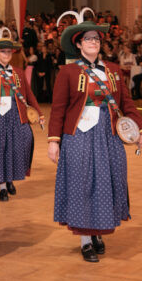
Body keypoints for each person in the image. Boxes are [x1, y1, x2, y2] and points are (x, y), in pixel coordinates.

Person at [48, 18, 142, 263]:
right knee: (83, 185)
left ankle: (99, 230)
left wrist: (136, 131)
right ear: (79, 45)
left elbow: (128, 106)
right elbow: (58, 108)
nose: (93, 42)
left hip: (108, 135)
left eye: (96, 39)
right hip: (78, 136)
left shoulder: (113, 70)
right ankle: (86, 240)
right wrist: (53, 140)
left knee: (107, 184)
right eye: (88, 39)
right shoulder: (68, 72)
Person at [0, 38, 43, 201]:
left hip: (16, 114)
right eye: (3, 51)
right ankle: (2, 187)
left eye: (9, 52)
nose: (6, 54)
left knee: (18, 146)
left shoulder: (19, 72)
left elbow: (29, 95)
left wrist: (40, 113)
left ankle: (10, 179)